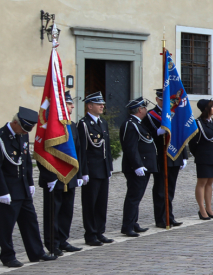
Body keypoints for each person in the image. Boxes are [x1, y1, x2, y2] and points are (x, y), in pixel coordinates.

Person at [0, 107, 55, 267]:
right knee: (6, 225)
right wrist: (2, 191)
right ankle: (8, 256)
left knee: (30, 221)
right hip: (8, 189)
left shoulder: (22, 135)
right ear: (14, 123)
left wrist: (30, 182)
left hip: (23, 187)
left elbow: (26, 161)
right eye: (24, 129)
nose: (26, 133)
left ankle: (36, 252)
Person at [38, 91, 84, 256]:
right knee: (53, 211)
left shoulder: (71, 125)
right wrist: (48, 176)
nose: (72, 107)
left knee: (67, 210)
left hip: (70, 174)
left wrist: (79, 174)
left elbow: (77, 151)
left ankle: (63, 240)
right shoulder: (49, 127)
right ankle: (52, 244)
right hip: (54, 175)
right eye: (69, 104)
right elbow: (42, 152)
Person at [145, 89, 186, 229]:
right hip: (160, 155)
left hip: (175, 155)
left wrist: (184, 155)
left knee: (171, 189)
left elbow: (181, 135)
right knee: (161, 189)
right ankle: (161, 219)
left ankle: (170, 216)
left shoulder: (175, 114)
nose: (166, 103)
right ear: (157, 100)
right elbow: (148, 136)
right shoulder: (151, 115)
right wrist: (158, 132)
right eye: (163, 100)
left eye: (168, 100)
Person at [78, 91, 114, 246]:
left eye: (103, 104)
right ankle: (91, 234)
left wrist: (109, 166)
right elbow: (82, 150)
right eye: (99, 104)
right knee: (90, 204)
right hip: (91, 170)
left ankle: (100, 231)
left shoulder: (102, 123)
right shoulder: (84, 124)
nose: (102, 106)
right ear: (89, 106)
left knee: (101, 203)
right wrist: (83, 172)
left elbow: (107, 148)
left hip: (103, 169)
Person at [120, 97, 157, 237]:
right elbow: (130, 148)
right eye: (144, 108)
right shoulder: (130, 124)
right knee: (133, 197)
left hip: (144, 166)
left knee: (137, 197)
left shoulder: (138, 123)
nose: (146, 110)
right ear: (140, 109)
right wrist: (137, 165)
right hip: (136, 168)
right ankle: (127, 226)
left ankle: (133, 222)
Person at [190, 98, 213, 220]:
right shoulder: (197, 123)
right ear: (207, 109)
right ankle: (201, 209)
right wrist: (198, 154)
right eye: (212, 106)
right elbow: (192, 143)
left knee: (210, 183)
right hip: (203, 156)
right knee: (202, 183)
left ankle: (209, 208)